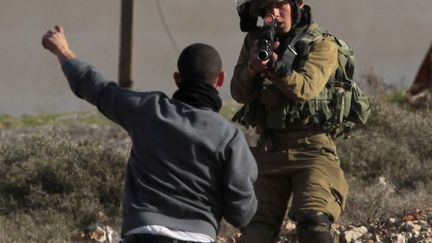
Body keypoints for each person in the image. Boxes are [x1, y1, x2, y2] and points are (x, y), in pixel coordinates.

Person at [42, 26, 258, 243]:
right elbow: (241, 212)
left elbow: (95, 87)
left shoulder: (147, 110)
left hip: (143, 232)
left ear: (177, 78)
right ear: (220, 79)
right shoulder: (230, 137)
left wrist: (63, 51)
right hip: (198, 236)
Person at [231, 0, 360, 242]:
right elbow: (239, 93)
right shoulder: (254, 42)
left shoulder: (323, 44)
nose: (274, 14)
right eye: (266, 10)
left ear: (298, 4)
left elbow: (305, 88)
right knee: (255, 232)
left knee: (315, 227)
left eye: (280, 6)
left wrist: (275, 68)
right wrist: (252, 68)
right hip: (270, 149)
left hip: (312, 150)